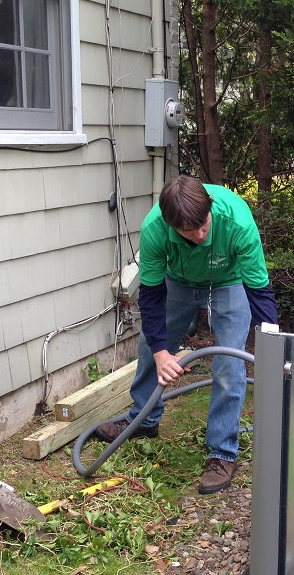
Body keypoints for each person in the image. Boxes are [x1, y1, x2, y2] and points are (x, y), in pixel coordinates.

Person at [96, 175, 278, 495]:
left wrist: (273, 347)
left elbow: (259, 291)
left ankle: (222, 452)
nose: (199, 235)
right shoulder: (154, 229)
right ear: (170, 224)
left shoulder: (236, 220)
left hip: (229, 281)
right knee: (148, 347)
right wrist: (161, 352)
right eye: (188, 231)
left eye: (204, 226)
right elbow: (151, 295)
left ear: (210, 210)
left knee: (228, 362)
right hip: (178, 282)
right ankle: (143, 420)